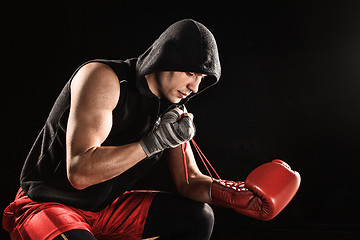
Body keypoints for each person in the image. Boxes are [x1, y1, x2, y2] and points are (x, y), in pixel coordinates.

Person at [2, 19, 300, 240]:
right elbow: (79, 173)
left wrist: (234, 196)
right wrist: (152, 142)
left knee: (196, 217)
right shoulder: (103, 78)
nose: (195, 86)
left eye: (201, 78)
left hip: (107, 208)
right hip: (48, 203)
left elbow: (188, 182)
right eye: (191, 72)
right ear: (166, 59)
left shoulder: (173, 110)